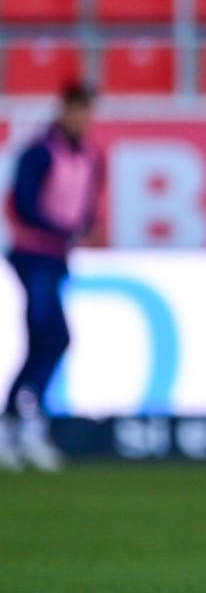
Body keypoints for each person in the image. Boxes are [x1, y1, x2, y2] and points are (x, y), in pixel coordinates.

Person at [1, 81, 104, 472]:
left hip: (56, 257)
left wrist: (84, 228)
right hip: (32, 255)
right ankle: (20, 422)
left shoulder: (91, 155)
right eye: (78, 109)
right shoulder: (41, 152)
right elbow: (22, 205)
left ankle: (22, 421)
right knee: (49, 334)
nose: (83, 118)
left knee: (49, 340)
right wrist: (65, 228)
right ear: (64, 109)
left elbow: (86, 203)